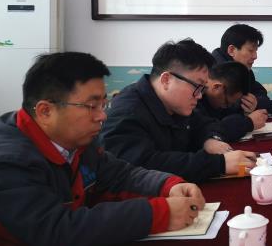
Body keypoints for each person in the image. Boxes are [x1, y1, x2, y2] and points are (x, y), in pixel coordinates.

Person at [0, 52, 206, 246]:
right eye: (91, 106)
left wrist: (169, 185)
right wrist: (159, 214)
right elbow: (58, 229)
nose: (102, 116)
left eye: (103, 104)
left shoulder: (77, 142)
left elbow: (121, 173)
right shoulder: (8, 161)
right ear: (45, 111)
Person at [102, 39, 256, 182]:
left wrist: (211, 139)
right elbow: (144, 165)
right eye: (197, 87)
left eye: (202, 89)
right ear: (166, 80)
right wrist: (219, 164)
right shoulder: (127, 113)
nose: (200, 96)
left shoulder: (175, 103)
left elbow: (205, 124)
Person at [212, 24, 272, 115]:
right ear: (232, 50)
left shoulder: (241, 69)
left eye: (256, 51)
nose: (255, 56)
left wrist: (256, 103)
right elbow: (231, 110)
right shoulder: (214, 73)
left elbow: (260, 92)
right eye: (251, 50)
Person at [197, 61, 269, 142]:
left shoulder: (217, 97)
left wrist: (247, 110)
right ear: (216, 87)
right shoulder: (194, 98)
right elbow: (207, 132)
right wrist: (248, 123)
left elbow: (227, 115)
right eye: (226, 103)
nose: (224, 107)